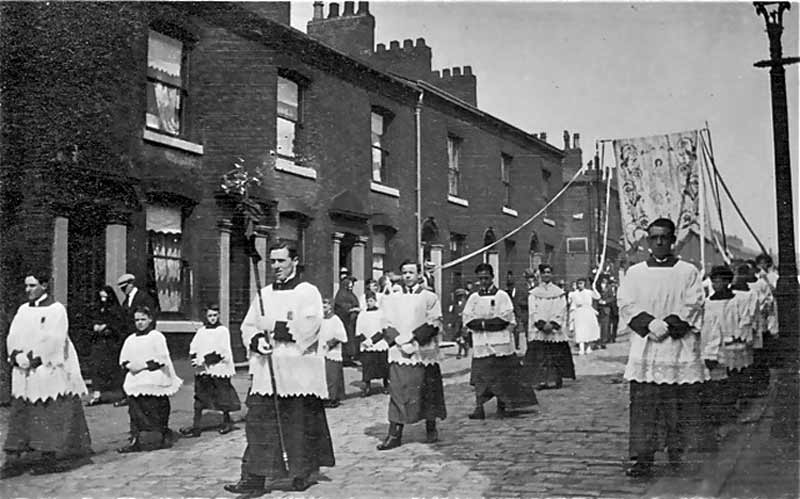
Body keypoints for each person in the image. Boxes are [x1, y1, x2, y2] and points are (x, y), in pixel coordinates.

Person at [226, 241, 334, 495]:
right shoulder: (263, 294)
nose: (276, 266)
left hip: (298, 370)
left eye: (281, 261)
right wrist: (257, 340)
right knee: (259, 422)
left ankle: (302, 472)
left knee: (299, 424)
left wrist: (273, 326)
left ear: (294, 262)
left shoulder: (308, 292)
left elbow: (309, 328)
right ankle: (254, 477)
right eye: (272, 261)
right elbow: (248, 326)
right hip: (267, 369)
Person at [617, 218, 707, 477]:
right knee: (645, 406)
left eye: (664, 237)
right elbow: (625, 303)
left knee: (677, 405)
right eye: (654, 237)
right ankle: (643, 459)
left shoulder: (688, 271)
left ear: (672, 240)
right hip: (647, 348)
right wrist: (649, 324)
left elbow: (694, 303)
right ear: (647, 240)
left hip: (677, 347)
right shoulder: (635, 273)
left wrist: (668, 324)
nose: (659, 242)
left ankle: (677, 455)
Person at [2, 272, 92, 478]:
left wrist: (35, 359)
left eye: (32, 285)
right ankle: (15, 455)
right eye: (26, 286)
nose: (28, 290)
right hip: (23, 368)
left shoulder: (56, 310)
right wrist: (16, 355)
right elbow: (12, 335)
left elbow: (55, 338)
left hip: (47, 366)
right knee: (22, 409)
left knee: (47, 407)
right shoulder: (22, 310)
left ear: (44, 285)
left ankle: (49, 453)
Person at [376, 260, 446, 450]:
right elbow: (384, 321)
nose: (407, 276)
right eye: (404, 272)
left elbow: (434, 322)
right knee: (398, 390)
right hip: (399, 351)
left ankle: (431, 427)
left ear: (419, 274)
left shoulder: (429, 296)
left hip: (422, 350)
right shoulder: (392, 298)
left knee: (427, 390)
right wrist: (398, 340)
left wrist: (413, 339)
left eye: (411, 272)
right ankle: (394, 434)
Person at [463, 263, 537, 419]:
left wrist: (483, 323)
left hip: (500, 343)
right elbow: (468, 318)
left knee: (502, 376)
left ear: (492, 278)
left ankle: (502, 404)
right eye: (480, 278)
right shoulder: (473, 298)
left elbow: (505, 318)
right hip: (481, 344)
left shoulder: (502, 296)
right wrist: (485, 323)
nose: (483, 281)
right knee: (480, 377)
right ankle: (479, 407)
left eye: (486, 278)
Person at [117, 306, 182, 453]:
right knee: (135, 408)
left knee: (156, 407)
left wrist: (141, 366)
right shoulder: (130, 339)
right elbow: (124, 360)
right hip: (136, 377)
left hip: (153, 374)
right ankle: (136, 438)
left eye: (143, 319)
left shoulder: (156, 337)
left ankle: (162, 433)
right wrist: (130, 366)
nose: (140, 323)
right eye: (137, 320)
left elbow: (161, 359)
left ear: (150, 320)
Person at [180, 304, 241, 438]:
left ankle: (226, 422)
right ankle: (196, 426)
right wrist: (195, 358)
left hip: (218, 367)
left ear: (218, 315)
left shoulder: (222, 331)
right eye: (209, 316)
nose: (212, 318)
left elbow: (222, 351)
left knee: (222, 396)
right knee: (200, 397)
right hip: (204, 370)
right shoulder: (201, 331)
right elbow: (194, 346)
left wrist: (205, 360)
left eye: (215, 315)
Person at [525, 264, 575, 390]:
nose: (546, 275)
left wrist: (552, 324)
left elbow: (561, 310)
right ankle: (540, 380)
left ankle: (554, 379)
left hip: (554, 329)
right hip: (540, 329)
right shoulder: (534, 293)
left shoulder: (559, 293)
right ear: (540, 275)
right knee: (540, 355)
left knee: (554, 355)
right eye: (544, 273)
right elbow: (533, 311)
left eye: (549, 272)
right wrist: (541, 324)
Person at [86, 285, 127, 406]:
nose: (103, 299)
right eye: (101, 297)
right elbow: (91, 321)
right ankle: (97, 393)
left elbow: (118, 324)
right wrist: (95, 326)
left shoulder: (115, 309)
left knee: (111, 368)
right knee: (96, 367)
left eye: (105, 296)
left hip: (111, 345)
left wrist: (107, 327)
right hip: (99, 344)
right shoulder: (97, 309)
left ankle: (115, 395)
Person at [356, 291, 389, 397]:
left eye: (371, 301)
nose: (369, 303)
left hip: (378, 342)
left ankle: (386, 385)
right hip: (366, 343)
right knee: (367, 365)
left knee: (383, 364)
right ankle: (367, 386)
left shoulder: (381, 313)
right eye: (367, 301)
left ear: (375, 301)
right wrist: (365, 340)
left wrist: (373, 340)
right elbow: (358, 329)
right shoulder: (362, 314)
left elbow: (383, 329)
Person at [319, 298, 348, 408]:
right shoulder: (321, 319)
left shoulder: (335, 319)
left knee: (333, 375)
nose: (323, 306)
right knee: (325, 375)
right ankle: (326, 396)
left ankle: (333, 398)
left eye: (326, 304)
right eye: (322, 304)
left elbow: (342, 336)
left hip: (332, 350)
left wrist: (330, 343)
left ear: (331, 306)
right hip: (321, 350)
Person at [334, 275, 361, 367]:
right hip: (345, 320)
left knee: (351, 339)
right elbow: (340, 305)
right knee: (346, 339)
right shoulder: (341, 294)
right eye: (349, 283)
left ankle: (349, 357)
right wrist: (352, 309)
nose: (351, 286)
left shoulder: (350, 294)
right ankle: (345, 358)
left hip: (351, 322)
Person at [570, 278, 601, 355]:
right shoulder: (574, 294)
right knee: (580, 330)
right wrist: (572, 316)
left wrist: (594, 288)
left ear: (584, 284)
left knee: (589, 329)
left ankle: (588, 347)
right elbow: (573, 305)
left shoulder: (589, 292)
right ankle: (581, 348)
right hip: (579, 313)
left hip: (588, 312)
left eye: (582, 283)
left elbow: (598, 297)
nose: (580, 285)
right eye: (579, 284)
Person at [595, 275, 616, 350]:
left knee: (605, 326)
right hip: (597, 309)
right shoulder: (596, 287)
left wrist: (605, 302)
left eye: (605, 279)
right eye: (603, 279)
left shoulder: (609, 288)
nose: (604, 281)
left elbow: (612, 298)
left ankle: (603, 342)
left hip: (606, 309)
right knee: (597, 326)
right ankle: (597, 341)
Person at [449, 288, 470, 359]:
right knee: (457, 338)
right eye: (458, 296)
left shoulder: (467, 303)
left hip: (463, 323)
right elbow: (453, 314)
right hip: (457, 324)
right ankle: (465, 347)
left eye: (461, 295)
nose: (460, 297)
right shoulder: (455, 304)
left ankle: (459, 352)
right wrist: (451, 323)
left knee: (462, 338)